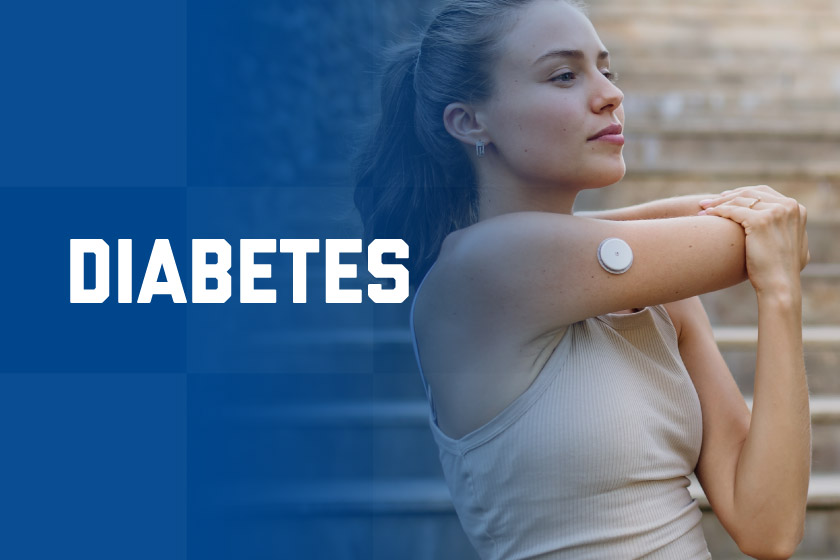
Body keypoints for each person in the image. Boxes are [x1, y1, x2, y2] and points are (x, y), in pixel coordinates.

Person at [354, 0, 811, 558]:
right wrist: (772, 251)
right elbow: (744, 238)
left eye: (606, 70)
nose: (610, 95)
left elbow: (768, 527)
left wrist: (781, 298)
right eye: (564, 75)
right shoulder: (478, 269)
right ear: (470, 121)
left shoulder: (653, 289)